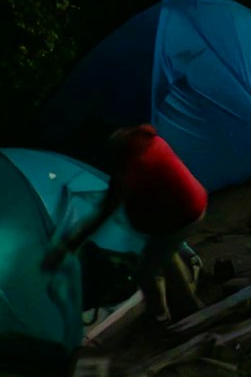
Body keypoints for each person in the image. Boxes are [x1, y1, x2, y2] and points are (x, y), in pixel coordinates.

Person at [60, 121, 211, 324]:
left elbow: (104, 213)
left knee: (147, 273)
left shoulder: (131, 168)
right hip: (191, 204)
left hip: (182, 216)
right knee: (165, 254)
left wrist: (72, 242)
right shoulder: (153, 141)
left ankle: (161, 321)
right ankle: (189, 306)